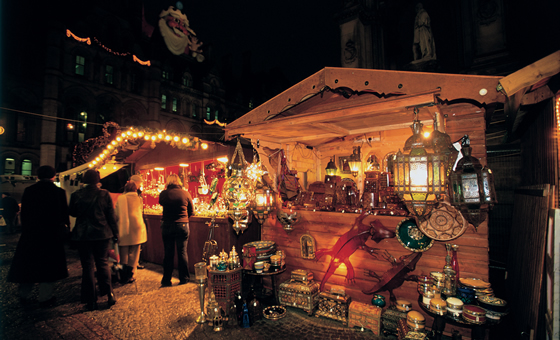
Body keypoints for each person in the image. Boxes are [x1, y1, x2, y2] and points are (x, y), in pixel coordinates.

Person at [7, 165, 69, 308]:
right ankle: (45, 298)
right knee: (49, 269)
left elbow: (25, 214)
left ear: (38, 176)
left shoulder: (29, 191)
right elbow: (63, 216)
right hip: (51, 236)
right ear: (53, 176)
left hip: (32, 235)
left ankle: (23, 295)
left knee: (28, 267)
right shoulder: (59, 192)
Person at [69, 169, 118, 310]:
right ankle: (109, 294)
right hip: (102, 233)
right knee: (103, 263)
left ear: (84, 180)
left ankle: (91, 300)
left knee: (88, 267)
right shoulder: (104, 194)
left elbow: (72, 212)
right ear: (97, 180)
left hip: (83, 235)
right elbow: (111, 215)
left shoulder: (76, 195)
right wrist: (115, 233)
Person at [158, 173, 194, 286]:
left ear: (168, 182)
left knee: (168, 253)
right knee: (182, 252)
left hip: (167, 225)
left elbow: (161, 203)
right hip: (182, 225)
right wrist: (183, 218)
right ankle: (184, 278)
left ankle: (166, 279)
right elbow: (192, 211)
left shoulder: (163, 194)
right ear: (178, 181)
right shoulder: (185, 193)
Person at [115, 181, 147, 283]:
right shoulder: (139, 199)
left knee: (123, 254)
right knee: (134, 254)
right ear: (135, 189)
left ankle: (123, 275)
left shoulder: (121, 198)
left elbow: (116, 214)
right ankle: (132, 275)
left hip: (124, 228)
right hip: (137, 228)